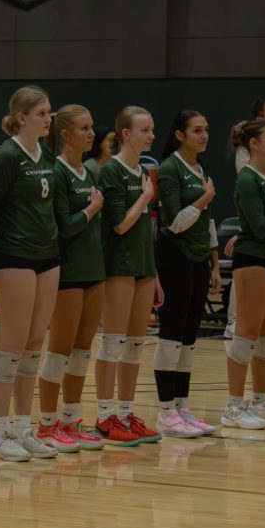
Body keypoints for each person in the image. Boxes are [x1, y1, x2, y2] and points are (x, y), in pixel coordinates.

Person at [0, 86, 61, 461]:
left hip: (47, 257)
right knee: (11, 345)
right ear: (21, 117)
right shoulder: (6, 158)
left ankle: (24, 429)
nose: (49, 118)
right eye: (43, 113)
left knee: (33, 345)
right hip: (13, 256)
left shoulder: (45, 153)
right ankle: (0, 433)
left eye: (50, 112)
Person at [36, 105, 105, 452]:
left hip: (94, 270)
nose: (91, 133)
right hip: (68, 271)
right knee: (59, 352)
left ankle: (71, 420)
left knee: (81, 353)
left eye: (91, 127)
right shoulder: (57, 171)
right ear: (64, 134)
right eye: (84, 128)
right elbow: (64, 226)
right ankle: (47, 425)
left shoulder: (88, 171)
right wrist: (92, 209)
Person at [94, 106, 164, 446]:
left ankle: (126, 412)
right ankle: (105, 415)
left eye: (152, 130)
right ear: (126, 134)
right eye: (144, 130)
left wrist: (154, 273)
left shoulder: (142, 171)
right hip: (118, 265)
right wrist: (146, 199)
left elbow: (145, 231)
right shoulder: (112, 172)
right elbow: (121, 224)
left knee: (136, 345)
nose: (151, 135)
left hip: (142, 266)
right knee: (113, 341)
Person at [220, 120, 265, 429]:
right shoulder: (247, 179)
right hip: (254, 258)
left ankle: (261, 402)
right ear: (253, 143)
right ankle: (233, 408)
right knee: (246, 332)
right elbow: (261, 226)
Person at [153, 110, 222, 439]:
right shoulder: (169, 168)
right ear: (179, 135)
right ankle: (165, 412)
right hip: (174, 257)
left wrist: (215, 263)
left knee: (189, 337)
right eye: (197, 130)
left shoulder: (202, 167)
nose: (204, 135)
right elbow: (174, 223)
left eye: (206, 129)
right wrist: (205, 197)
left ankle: (182, 407)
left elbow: (207, 221)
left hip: (197, 260)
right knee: (171, 333)